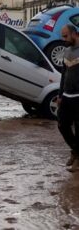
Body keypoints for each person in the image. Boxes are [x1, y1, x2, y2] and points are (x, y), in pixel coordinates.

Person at [57, 24, 79, 172]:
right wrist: (60, 95)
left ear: (74, 34)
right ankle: (76, 151)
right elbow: (63, 74)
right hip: (66, 96)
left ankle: (77, 160)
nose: (64, 39)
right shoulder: (66, 51)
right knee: (62, 125)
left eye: (66, 36)